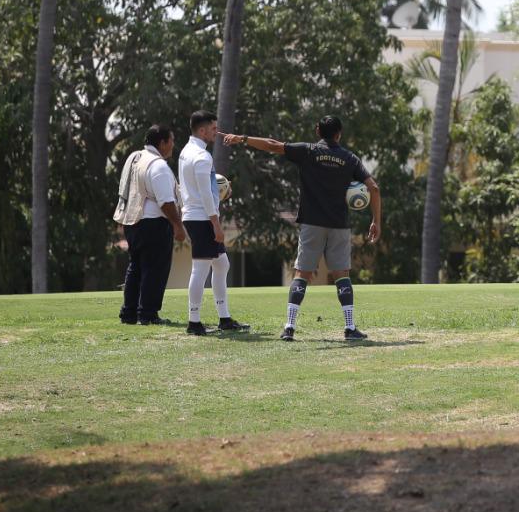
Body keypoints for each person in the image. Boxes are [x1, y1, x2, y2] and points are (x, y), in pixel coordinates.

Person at [222, 115, 380, 341]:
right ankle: (349, 327)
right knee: (341, 276)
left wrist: (242, 138)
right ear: (339, 134)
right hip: (339, 225)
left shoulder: (308, 151)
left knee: (302, 274)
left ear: (318, 131)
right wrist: (376, 221)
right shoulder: (350, 159)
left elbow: (271, 145)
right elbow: (373, 187)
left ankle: (289, 327)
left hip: (311, 223)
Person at [178, 110, 248, 335]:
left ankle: (224, 318)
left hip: (195, 214)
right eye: (213, 128)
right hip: (201, 218)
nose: (216, 132)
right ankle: (194, 322)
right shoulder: (202, 156)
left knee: (221, 264)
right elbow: (206, 195)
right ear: (202, 130)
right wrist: (216, 224)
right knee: (200, 269)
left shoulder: (186, 151)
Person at [115, 125, 184, 325]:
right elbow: (166, 202)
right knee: (155, 269)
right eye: (171, 140)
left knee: (135, 267)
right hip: (154, 224)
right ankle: (147, 314)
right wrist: (178, 225)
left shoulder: (135, 158)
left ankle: (129, 313)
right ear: (162, 143)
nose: (173, 145)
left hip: (132, 222)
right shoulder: (158, 165)